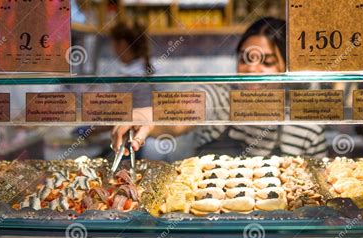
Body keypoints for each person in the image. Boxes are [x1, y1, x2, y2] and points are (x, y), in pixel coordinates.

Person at [112, 17, 327, 158]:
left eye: (267, 62)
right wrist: (152, 115)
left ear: (287, 68)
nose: (251, 69)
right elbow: (191, 106)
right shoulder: (223, 97)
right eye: (245, 59)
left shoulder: (307, 129)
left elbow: (313, 206)